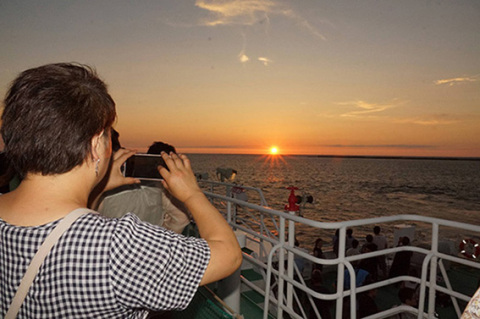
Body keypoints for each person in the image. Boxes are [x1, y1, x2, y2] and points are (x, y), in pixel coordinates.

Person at [0, 63, 242, 318]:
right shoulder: (119, 246)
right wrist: (192, 193)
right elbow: (228, 255)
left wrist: (99, 186)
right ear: (95, 145)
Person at [97, 140, 191, 234]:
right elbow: (181, 218)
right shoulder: (160, 188)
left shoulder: (103, 187)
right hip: (148, 244)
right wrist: (159, 237)